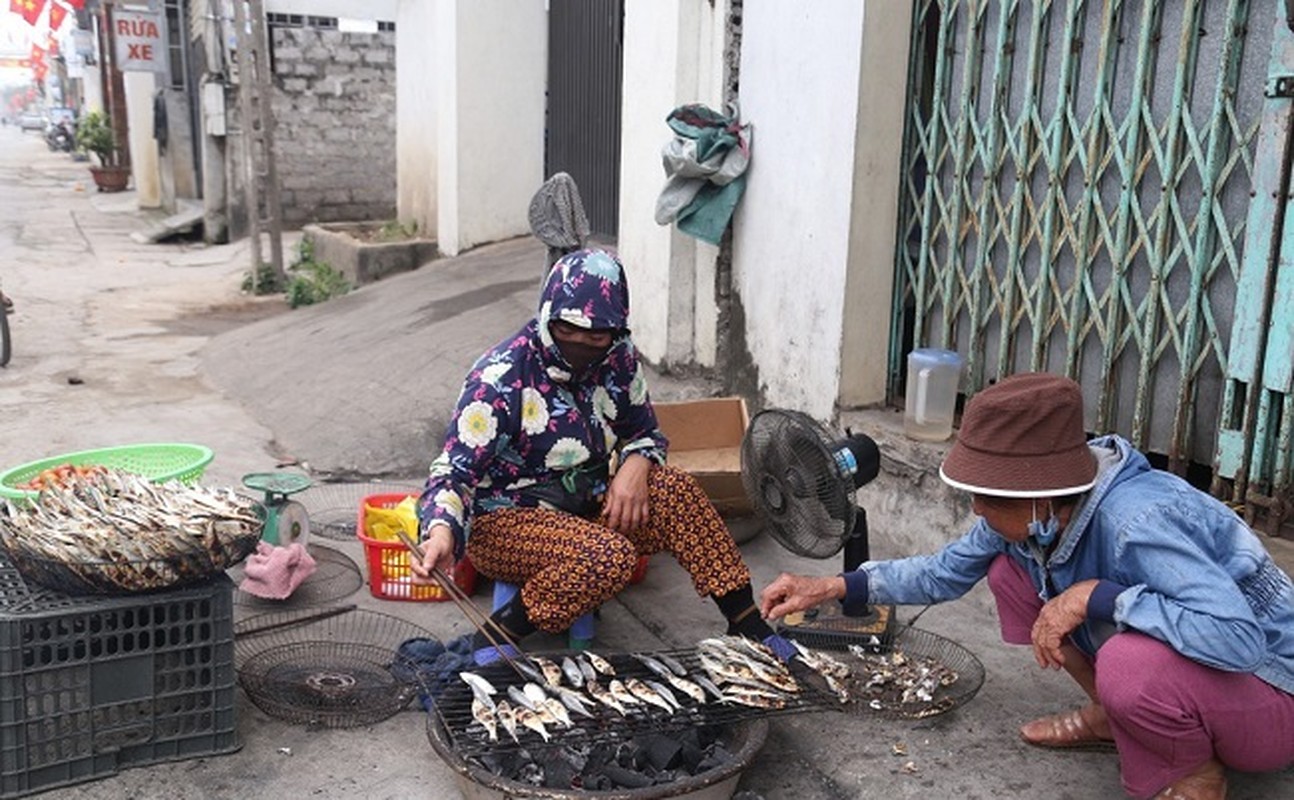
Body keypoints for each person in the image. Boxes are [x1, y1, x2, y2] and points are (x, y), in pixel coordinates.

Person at [759, 373, 1294, 800]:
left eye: (987, 495)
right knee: (1008, 572)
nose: (976, 508)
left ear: (1042, 493)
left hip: (1270, 694)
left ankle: (1197, 768)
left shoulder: (1139, 521)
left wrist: (1095, 596)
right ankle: (1114, 716)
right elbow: (942, 571)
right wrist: (830, 586)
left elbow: (1237, 640)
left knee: (1131, 664)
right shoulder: (1041, 517)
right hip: (1220, 672)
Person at [412, 248, 793, 667]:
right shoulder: (500, 378)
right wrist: (443, 530)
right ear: (547, 315)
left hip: (588, 507)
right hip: (504, 523)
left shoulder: (618, 359)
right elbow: (453, 472)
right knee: (609, 557)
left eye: (596, 337)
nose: (580, 344)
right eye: (567, 330)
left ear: (616, 330)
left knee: (676, 490)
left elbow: (645, 431)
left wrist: (635, 464)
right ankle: (496, 634)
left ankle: (746, 622)